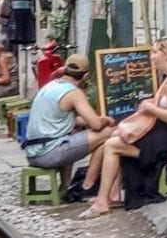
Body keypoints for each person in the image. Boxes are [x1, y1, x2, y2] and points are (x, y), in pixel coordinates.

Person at [81, 38, 167, 217]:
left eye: (154, 52)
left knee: (112, 145)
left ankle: (102, 201)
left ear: (166, 55)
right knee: (117, 137)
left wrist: (150, 107)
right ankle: (111, 195)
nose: (151, 57)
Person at [23, 53, 114, 189]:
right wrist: (106, 120)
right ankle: (87, 185)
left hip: (32, 152)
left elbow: (62, 121)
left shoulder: (50, 86)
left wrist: (89, 121)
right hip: (49, 153)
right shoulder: (73, 93)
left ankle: (66, 185)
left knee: (72, 131)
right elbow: (96, 124)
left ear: (64, 70)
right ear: (85, 76)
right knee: (108, 133)